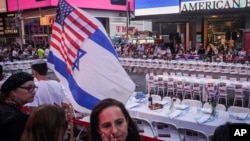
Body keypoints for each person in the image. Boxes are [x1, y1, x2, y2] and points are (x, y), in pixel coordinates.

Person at [0, 72, 36, 141]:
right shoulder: (14, 117)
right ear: (13, 92)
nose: (34, 92)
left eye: (34, 87)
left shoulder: (6, 107)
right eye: (29, 88)